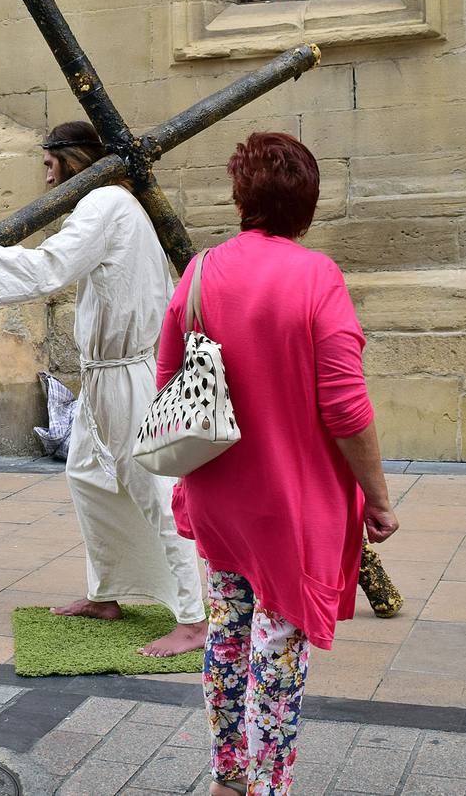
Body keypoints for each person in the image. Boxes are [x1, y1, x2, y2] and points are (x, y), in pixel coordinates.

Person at [155, 133, 399, 796]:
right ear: (307, 206)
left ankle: (228, 778)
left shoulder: (199, 270)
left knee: (227, 639)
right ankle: (268, 786)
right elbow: (345, 406)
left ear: (240, 198)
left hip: (217, 499)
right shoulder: (315, 277)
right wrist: (377, 498)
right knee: (275, 654)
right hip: (290, 509)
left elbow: (168, 381)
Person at [0, 121, 206, 657]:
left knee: (155, 490)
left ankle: (193, 619)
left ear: (75, 160)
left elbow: (52, 266)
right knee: (89, 474)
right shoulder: (111, 206)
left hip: (131, 375)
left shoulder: (105, 206)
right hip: (108, 373)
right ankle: (108, 592)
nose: (47, 177)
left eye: (51, 163)